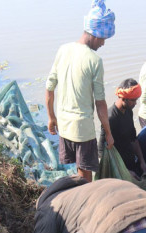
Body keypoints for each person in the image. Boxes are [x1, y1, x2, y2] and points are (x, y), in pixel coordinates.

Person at [45, 0, 115, 182]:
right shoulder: (94, 60)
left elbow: (49, 88)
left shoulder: (63, 49)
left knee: (78, 172)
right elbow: (100, 103)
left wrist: (51, 117)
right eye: (103, 39)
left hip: (65, 127)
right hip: (83, 130)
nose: (103, 43)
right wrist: (108, 132)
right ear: (94, 34)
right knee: (86, 178)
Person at [98, 79, 146, 180]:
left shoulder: (128, 112)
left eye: (136, 100)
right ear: (124, 98)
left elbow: (133, 139)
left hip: (130, 163)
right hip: (117, 169)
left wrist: (142, 162)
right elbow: (102, 153)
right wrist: (125, 172)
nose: (135, 103)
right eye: (133, 100)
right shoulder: (110, 118)